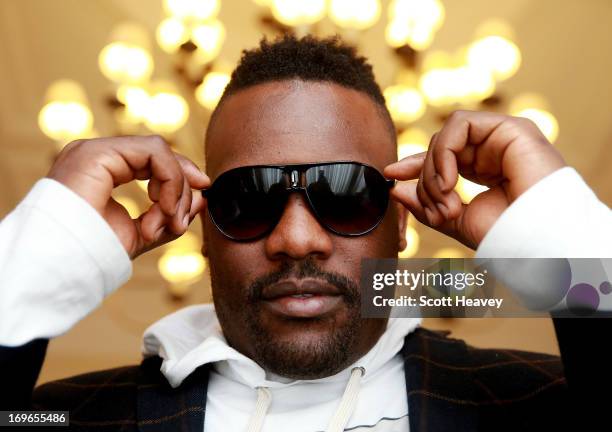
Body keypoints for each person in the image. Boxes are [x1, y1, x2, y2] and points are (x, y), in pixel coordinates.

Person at [0, 35, 611, 431]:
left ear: (402, 220)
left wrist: (562, 237)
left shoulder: (540, 404)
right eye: (247, 198)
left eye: (346, 195)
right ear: (203, 228)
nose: (296, 239)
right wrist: (50, 244)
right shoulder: (59, 417)